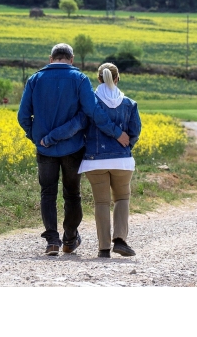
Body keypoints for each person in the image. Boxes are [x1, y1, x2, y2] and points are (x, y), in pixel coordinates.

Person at [17, 44, 129, 256]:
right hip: (73, 148)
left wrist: (38, 138)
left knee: (47, 193)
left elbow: (23, 116)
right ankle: (69, 239)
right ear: (72, 58)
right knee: (72, 194)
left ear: (51, 58)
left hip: (45, 150)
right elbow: (92, 112)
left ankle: (52, 241)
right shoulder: (80, 79)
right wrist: (116, 132)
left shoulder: (34, 80)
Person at [79, 63, 141, 258]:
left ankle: (104, 248)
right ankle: (120, 240)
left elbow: (81, 126)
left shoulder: (91, 104)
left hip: (94, 161)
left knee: (101, 203)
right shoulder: (129, 104)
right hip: (121, 162)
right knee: (122, 198)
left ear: (98, 79)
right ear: (117, 79)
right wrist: (125, 147)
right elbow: (135, 131)